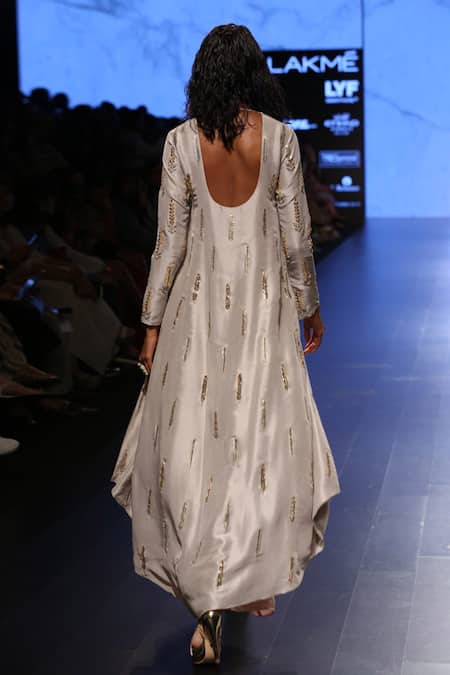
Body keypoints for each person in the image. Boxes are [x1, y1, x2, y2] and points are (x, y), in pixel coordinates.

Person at [110, 23, 341, 666]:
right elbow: (296, 238)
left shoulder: (182, 142)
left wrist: (151, 322)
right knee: (252, 446)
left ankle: (209, 596)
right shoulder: (281, 140)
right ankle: (235, 578)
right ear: (254, 73)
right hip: (263, 314)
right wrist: (310, 308)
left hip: (197, 313)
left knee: (196, 450)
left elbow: (168, 244)